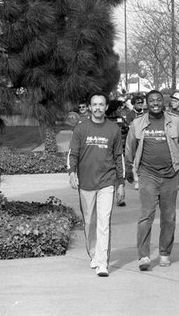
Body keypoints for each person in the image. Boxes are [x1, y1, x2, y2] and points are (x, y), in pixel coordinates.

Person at [125, 89, 179, 271]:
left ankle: (164, 252)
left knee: (168, 216)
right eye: (151, 100)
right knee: (146, 215)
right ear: (147, 103)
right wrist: (128, 169)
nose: (155, 103)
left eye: (158, 100)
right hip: (148, 174)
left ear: (163, 102)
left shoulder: (175, 122)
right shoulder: (137, 123)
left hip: (171, 174)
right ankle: (144, 256)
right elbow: (130, 147)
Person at [67, 92, 125, 277]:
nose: (98, 108)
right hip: (86, 183)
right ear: (90, 107)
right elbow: (73, 154)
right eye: (95, 104)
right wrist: (72, 173)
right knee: (89, 222)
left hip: (106, 182)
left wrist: (121, 182)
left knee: (103, 222)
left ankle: (102, 262)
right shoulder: (81, 129)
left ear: (106, 107)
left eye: (101, 104)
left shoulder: (113, 129)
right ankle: (93, 253)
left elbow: (118, 157)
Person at [106, 99, 130, 207]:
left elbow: (127, 131)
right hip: (106, 151)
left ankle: (120, 198)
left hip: (119, 151)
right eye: (119, 108)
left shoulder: (120, 120)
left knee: (120, 173)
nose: (120, 110)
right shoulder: (103, 120)